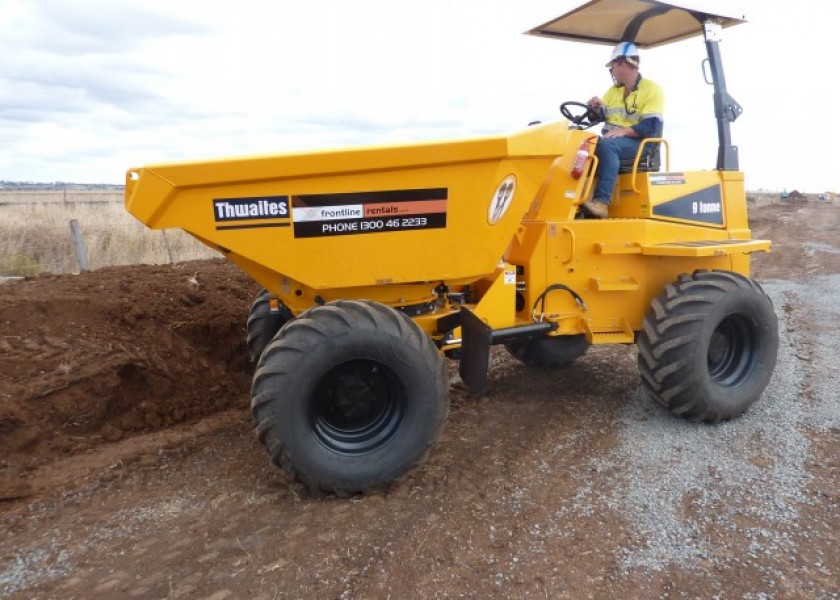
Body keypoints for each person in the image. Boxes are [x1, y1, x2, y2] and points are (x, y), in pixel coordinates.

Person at [582, 41, 664, 218]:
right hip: (614, 141)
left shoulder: (651, 90)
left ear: (623, 64)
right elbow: (600, 117)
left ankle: (601, 202)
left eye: (612, 66)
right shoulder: (613, 91)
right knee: (582, 147)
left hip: (642, 144)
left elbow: (652, 126)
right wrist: (595, 109)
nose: (611, 71)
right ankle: (577, 200)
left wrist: (624, 131)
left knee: (608, 146)